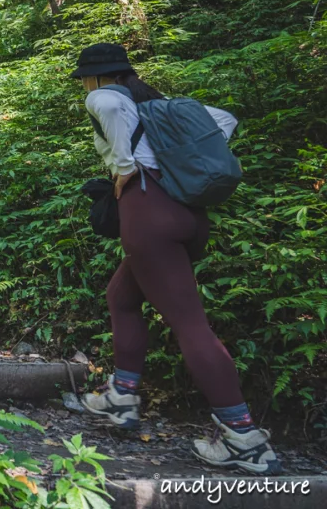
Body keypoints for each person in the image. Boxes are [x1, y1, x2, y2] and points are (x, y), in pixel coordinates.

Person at [71, 43, 281, 475]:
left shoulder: (103, 95)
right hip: (187, 215)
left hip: (148, 213)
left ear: (96, 75)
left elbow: (106, 102)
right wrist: (180, 161)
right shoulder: (158, 105)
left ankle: (245, 440)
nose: (87, 88)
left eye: (86, 79)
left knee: (190, 325)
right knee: (122, 297)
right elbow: (225, 120)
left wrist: (126, 166)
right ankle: (121, 397)